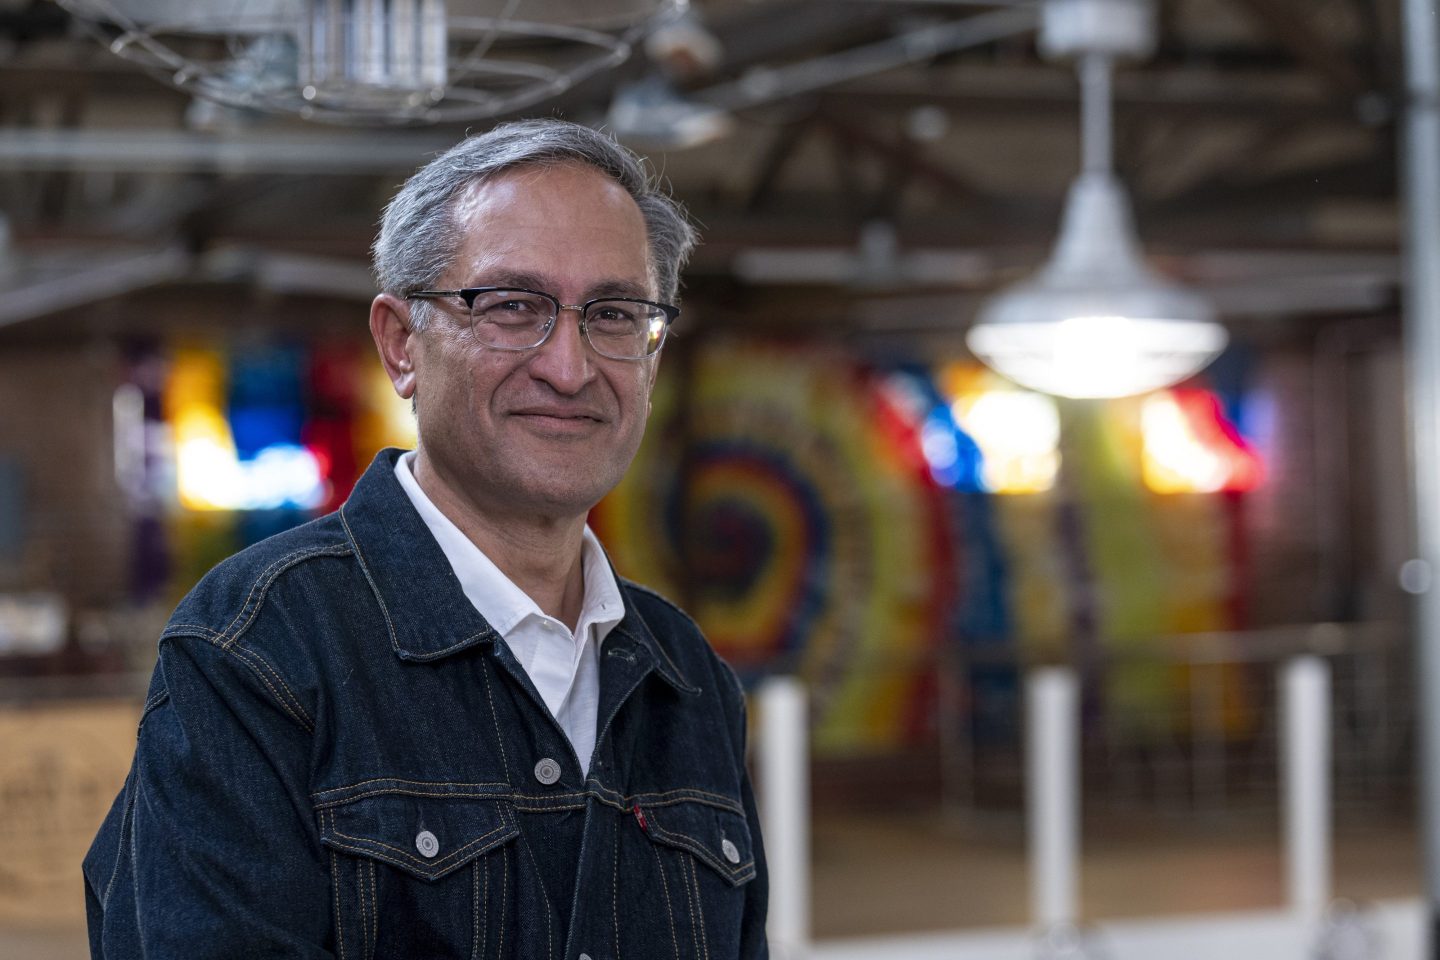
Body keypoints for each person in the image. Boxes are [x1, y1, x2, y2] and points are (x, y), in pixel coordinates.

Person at [84, 119, 768, 959]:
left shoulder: (688, 677)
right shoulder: (258, 651)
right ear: (402, 345)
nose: (569, 365)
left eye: (615, 314)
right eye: (513, 306)